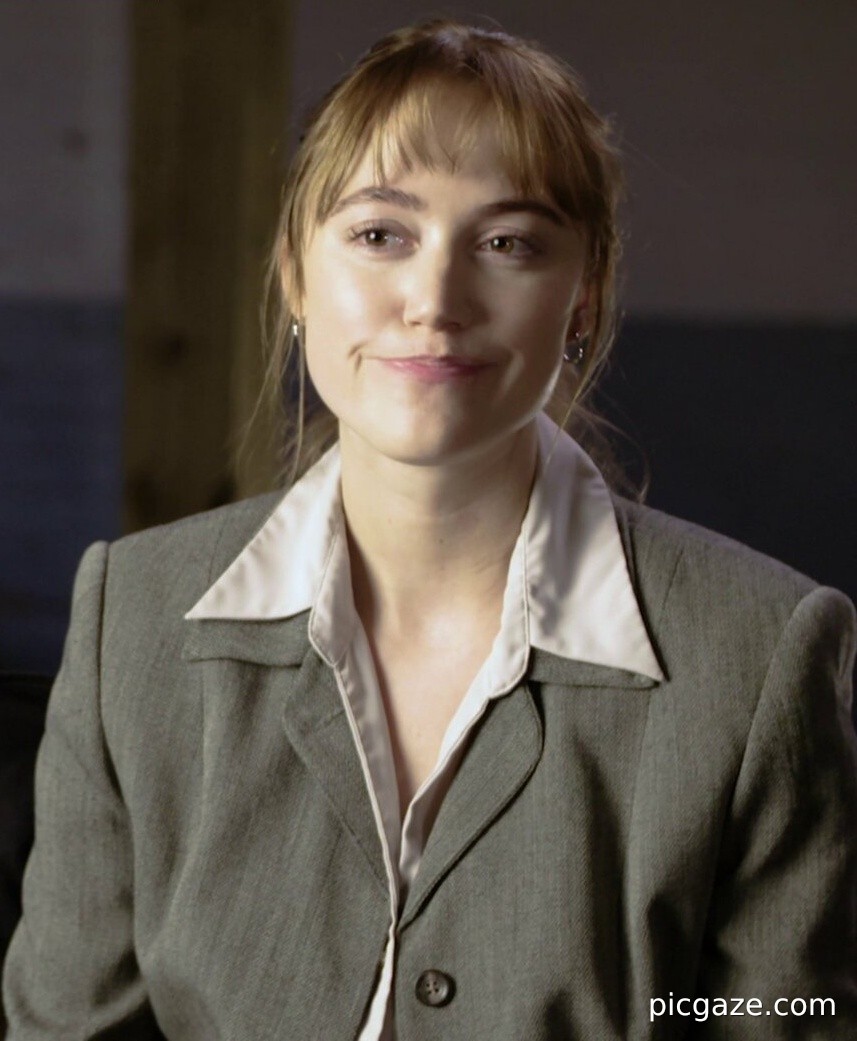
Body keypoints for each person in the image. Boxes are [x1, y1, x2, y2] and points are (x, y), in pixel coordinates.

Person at [3, 18, 856, 1041]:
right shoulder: (130, 618)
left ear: (582, 296)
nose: (434, 301)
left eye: (506, 243)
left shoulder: (759, 652)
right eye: (380, 235)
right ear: (294, 272)